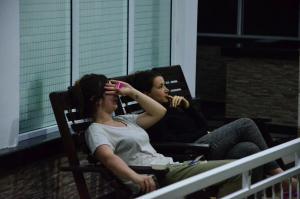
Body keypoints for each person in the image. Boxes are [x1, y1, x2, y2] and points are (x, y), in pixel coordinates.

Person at [75, 74, 241, 197]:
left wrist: (132, 92)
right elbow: (108, 158)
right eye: (111, 91)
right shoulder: (96, 130)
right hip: (160, 175)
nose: (117, 94)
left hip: (171, 167)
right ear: (96, 99)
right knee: (237, 171)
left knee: (241, 162)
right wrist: (136, 177)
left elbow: (159, 111)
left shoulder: (124, 119)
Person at [131, 69, 297, 191]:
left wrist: (188, 107)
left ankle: (255, 193)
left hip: (204, 143)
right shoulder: (152, 118)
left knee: (248, 149)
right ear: (146, 94)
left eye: (165, 85)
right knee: (245, 123)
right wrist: (205, 135)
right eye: (160, 87)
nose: (166, 90)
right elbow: (171, 142)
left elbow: (203, 125)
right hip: (193, 153)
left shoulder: (174, 106)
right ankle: (278, 174)